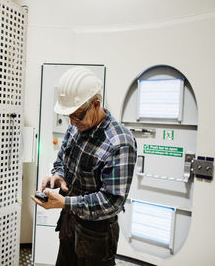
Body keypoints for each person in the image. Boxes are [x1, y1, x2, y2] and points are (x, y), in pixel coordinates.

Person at [31, 66, 137, 266]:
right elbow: (61, 159)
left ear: (96, 104)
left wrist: (65, 203)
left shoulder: (119, 142)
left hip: (97, 232)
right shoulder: (76, 127)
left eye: (77, 115)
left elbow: (112, 201)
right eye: (68, 116)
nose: (71, 122)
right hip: (69, 222)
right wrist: (58, 176)